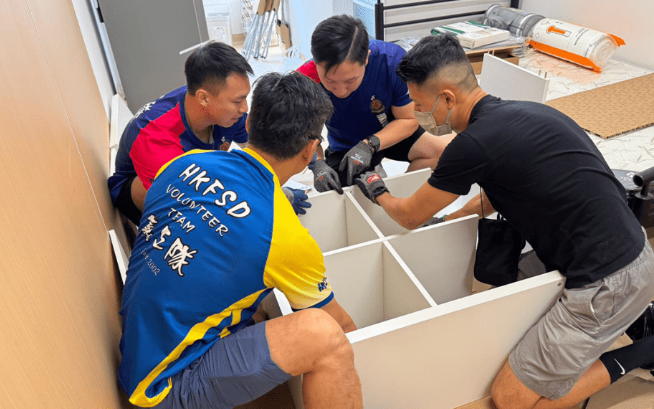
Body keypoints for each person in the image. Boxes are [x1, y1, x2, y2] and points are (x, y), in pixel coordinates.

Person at [355, 34, 654, 408]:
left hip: (609, 280)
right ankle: (641, 317)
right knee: (513, 291)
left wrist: (375, 186)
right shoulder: (528, 114)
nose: (421, 115)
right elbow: (505, 189)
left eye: (422, 106)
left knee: (511, 399)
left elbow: (408, 216)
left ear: (448, 98)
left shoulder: (470, 145)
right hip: (630, 250)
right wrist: (451, 219)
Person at [118, 72, 363, 409]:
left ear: (248, 125)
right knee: (325, 335)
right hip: (165, 385)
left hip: (138, 349)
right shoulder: (283, 235)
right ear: (310, 151)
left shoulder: (183, 163)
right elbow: (341, 325)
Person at [108, 42, 310, 226]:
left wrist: (275, 186)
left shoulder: (225, 111)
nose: (244, 108)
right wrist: (262, 200)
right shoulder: (155, 135)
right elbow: (193, 196)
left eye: (245, 98)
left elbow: (258, 150)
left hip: (197, 172)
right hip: (147, 191)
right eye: (237, 101)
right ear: (203, 98)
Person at [297, 15, 454, 193]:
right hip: (346, 144)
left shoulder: (392, 62)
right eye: (330, 81)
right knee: (336, 191)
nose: (340, 91)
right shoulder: (304, 79)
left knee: (445, 152)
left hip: (392, 131)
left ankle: (401, 197)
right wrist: (317, 164)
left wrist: (369, 145)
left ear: (366, 58)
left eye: (350, 81)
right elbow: (305, 134)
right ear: (316, 63)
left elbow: (408, 119)